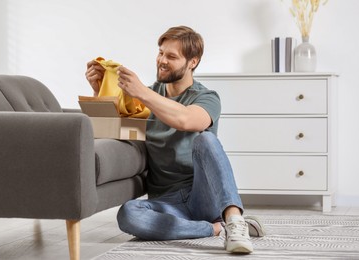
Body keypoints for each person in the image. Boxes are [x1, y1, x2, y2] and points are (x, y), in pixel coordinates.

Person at [85, 25, 264, 254]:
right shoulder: (146, 96)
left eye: (171, 56)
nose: (162, 60)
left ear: (193, 62)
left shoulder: (206, 97)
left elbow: (188, 120)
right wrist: (99, 90)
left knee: (205, 140)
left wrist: (142, 92)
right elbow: (113, 128)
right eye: (161, 52)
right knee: (128, 214)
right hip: (166, 202)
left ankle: (235, 221)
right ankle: (215, 229)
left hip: (203, 196)